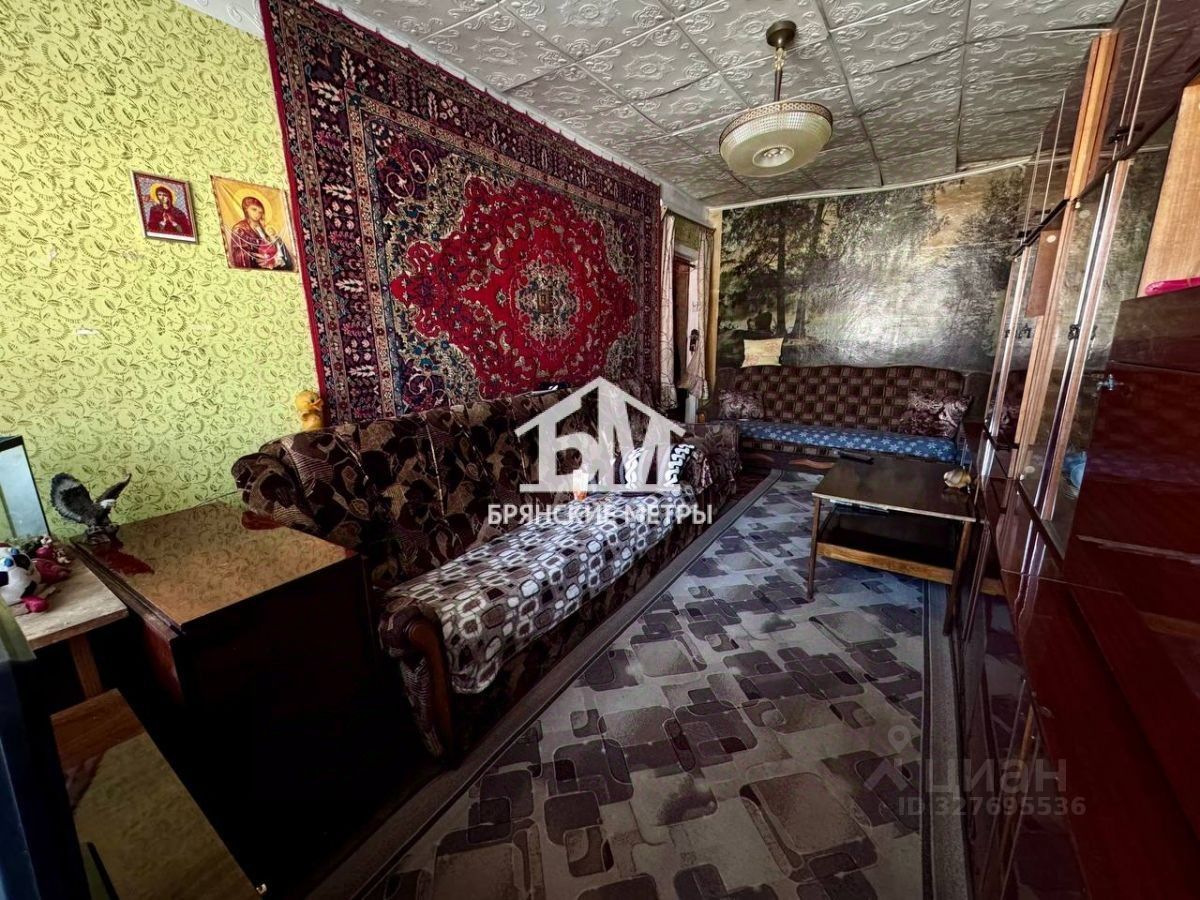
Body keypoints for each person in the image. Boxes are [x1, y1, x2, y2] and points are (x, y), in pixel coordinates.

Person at [228, 195, 292, 270]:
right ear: (246, 209)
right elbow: (239, 254)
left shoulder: (264, 228)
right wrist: (257, 257)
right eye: (254, 209)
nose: (257, 214)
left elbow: (274, 244)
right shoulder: (239, 229)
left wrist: (275, 243)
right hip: (257, 267)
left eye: (260, 212)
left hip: (273, 264)